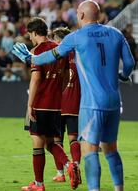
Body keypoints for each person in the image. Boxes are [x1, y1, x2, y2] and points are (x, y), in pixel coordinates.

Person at [12, 0, 135, 191]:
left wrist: (30, 58)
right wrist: (122, 76)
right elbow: (129, 64)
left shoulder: (76, 37)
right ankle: (119, 189)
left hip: (92, 103)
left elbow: (51, 56)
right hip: (113, 101)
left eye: (77, 13)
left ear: (82, 15)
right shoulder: (116, 34)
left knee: (90, 152)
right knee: (111, 150)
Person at [21, 17, 81, 191]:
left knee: (37, 142)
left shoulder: (37, 51)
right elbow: (68, 75)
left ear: (33, 33)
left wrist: (30, 104)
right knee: (51, 143)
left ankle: (38, 184)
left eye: (30, 35)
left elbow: (36, 78)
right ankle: (70, 165)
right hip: (56, 105)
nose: (30, 38)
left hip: (40, 103)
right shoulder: (60, 50)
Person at [51, 27, 82, 183]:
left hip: (57, 103)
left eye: (55, 39)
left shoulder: (57, 55)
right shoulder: (78, 55)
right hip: (74, 102)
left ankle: (61, 173)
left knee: (56, 140)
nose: (54, 42)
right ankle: (75, 166)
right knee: (73, 138)